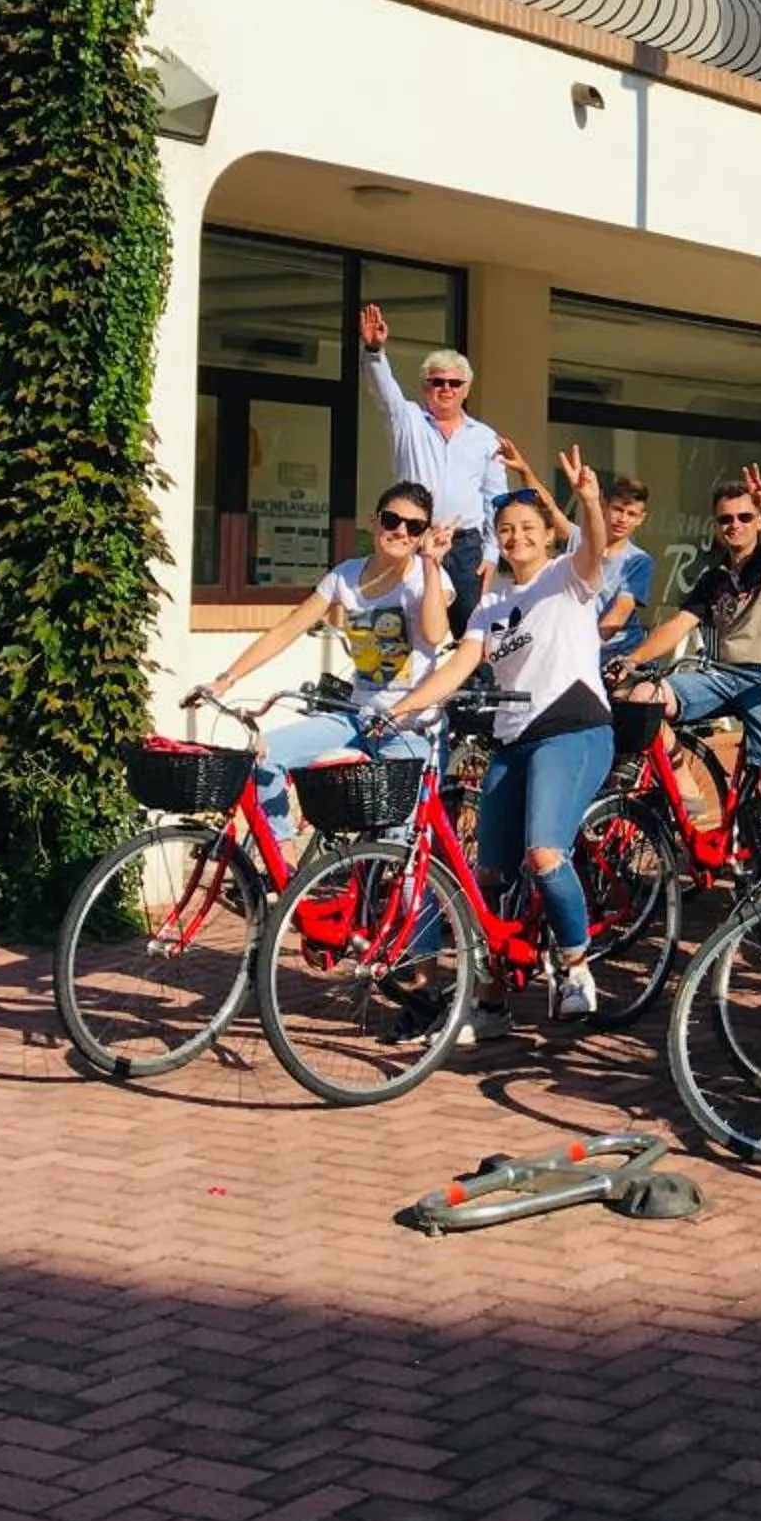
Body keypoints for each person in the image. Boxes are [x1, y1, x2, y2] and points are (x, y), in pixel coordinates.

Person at [378, 449, 614, 1033]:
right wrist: (404, 706)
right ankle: (490, 1004)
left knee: (544, 854)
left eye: (527, 530)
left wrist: (587, 501)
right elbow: (458, 663)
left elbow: (594, 550)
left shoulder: (567, 580)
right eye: (506, 531)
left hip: (574, 729)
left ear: (545, 537)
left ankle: (577, 964)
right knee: (487, 880)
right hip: (513, 742)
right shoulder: (491, 604)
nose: (516, 539)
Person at [193, 482, 451, 839]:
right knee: (264, 755)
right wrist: (226, 679)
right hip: (359, 720)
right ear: (374, 522)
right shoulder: (345, 576)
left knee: (398, 858)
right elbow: (286, 630)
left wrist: (432, 565)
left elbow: (436, 633)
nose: (401, 531)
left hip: (409, 730)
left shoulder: (427, 575)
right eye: (392, 520)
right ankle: (282, 864)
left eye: (415, 526)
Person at [612, 466, 761, 810]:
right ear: (716, 526)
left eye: (745, 516)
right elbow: (679, 624)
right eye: (726, 519)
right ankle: (687, 790)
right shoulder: (713, 578)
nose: (735, 525)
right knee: (642, 696)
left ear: (758, 522)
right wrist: (633, 659)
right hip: (721, 675)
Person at [358, 302, 507, 616]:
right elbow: (382, 391)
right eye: (437, 381)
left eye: (454, 383)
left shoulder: (485, 437)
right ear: (425, 386)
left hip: (466, 547)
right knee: (410, 627)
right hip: (413, 538)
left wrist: (492, 553)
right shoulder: (406, 419)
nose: (446, 389)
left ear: (466, 389)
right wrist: (374, 351)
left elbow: (495, 500)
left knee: (471, 635)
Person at [594, 475, 655, 663]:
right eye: (618, 510)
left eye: (631, 514)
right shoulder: (582, 543)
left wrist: (582, 647)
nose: (622, 519)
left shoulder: (638, 560)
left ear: (641, 519)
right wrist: (524, 471)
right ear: (604, 507)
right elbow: (551, 514)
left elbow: (620, 612)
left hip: (618, 653)